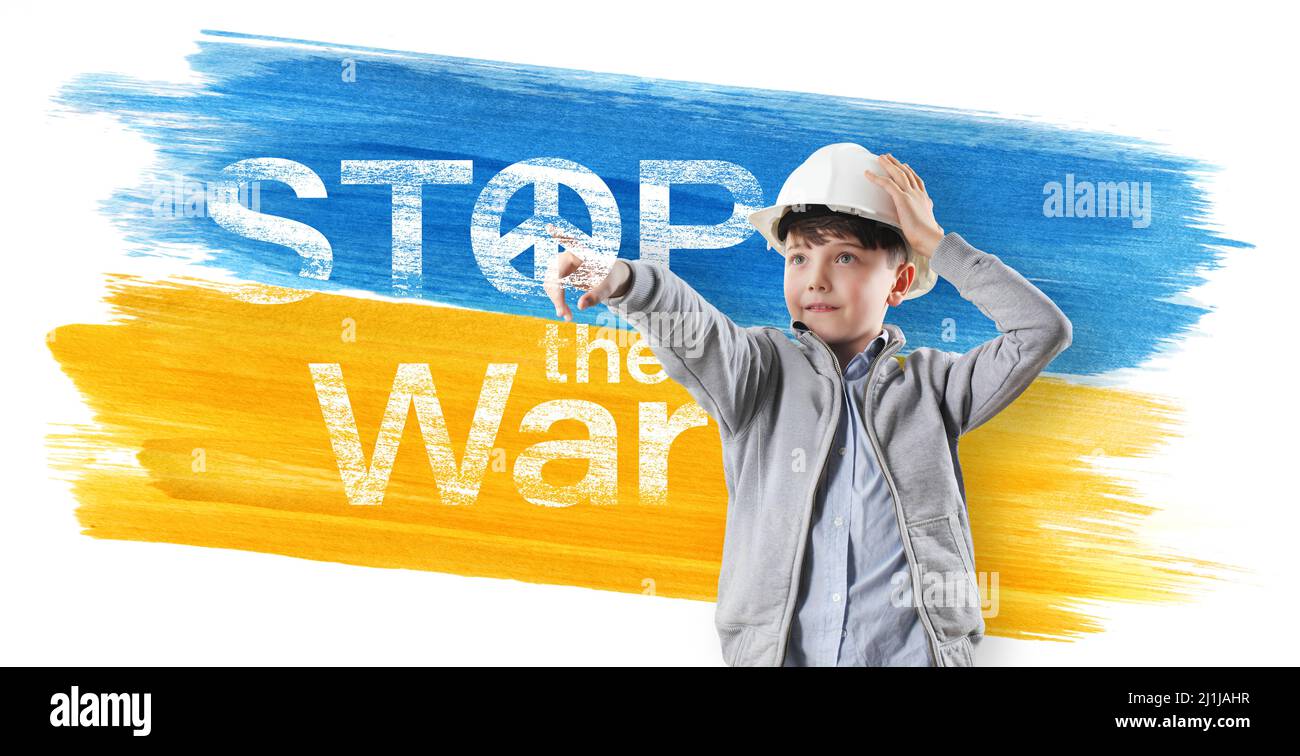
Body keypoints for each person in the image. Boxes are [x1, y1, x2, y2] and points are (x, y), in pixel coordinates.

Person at [543, 142, 1072, 666]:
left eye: (845, 257)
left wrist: (935, 243)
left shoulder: (935, 388)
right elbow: (694, 328)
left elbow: (1040, 328)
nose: (816, 278)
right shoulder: (756, 374)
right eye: (799, 257)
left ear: (901, 281)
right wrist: (620, 280)